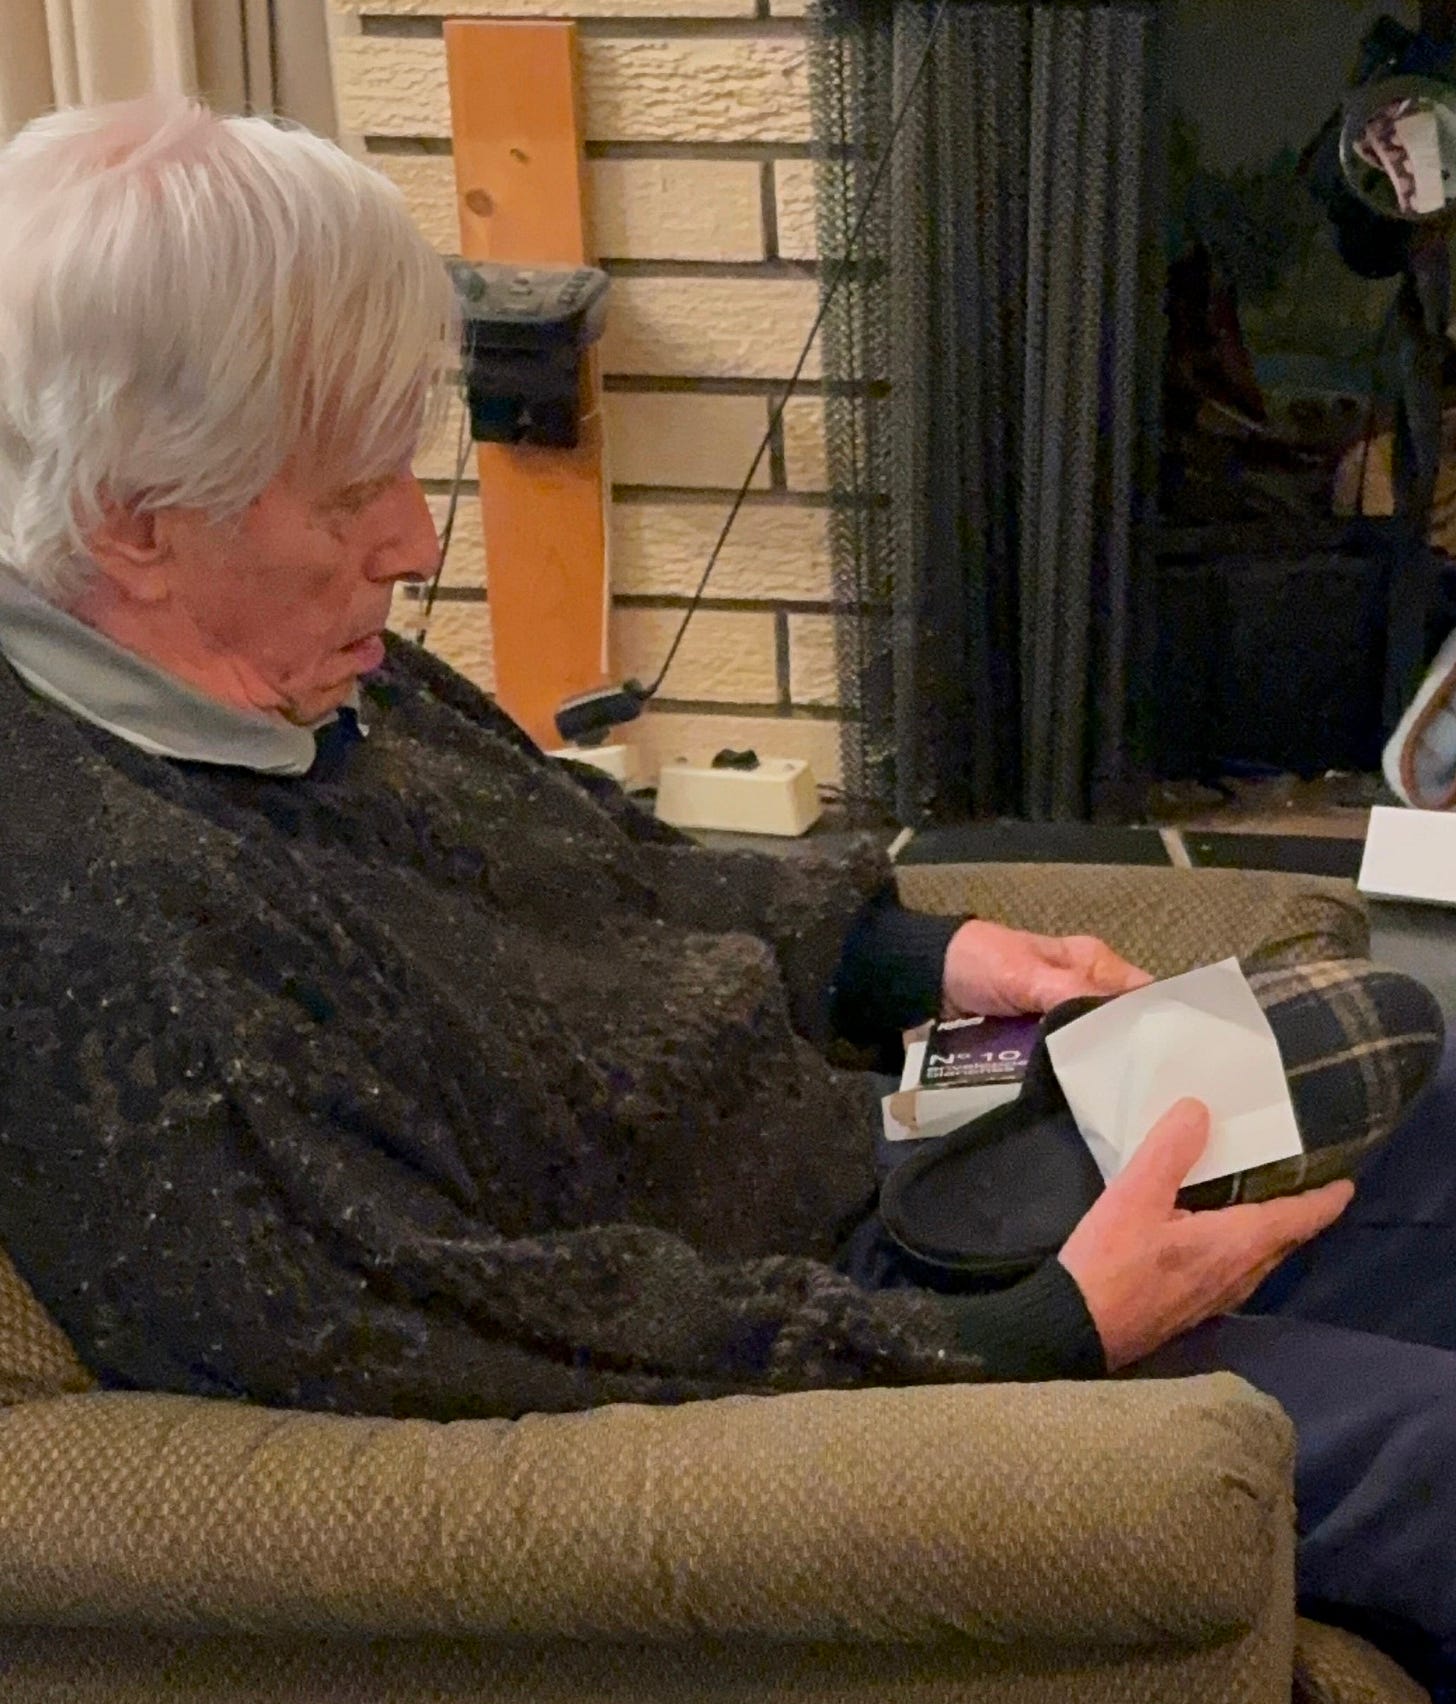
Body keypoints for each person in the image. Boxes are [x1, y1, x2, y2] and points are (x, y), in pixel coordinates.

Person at [1, 95, 1455, 1694]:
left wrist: (926, 953)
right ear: (136, 525)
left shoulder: (288, 679)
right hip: (864, 1335)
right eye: (351, 497)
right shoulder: (112, 940)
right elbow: (438, 1346)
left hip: (915, 1163)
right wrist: (1043, 1332)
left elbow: (604, 862)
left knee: (1436, 1098)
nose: (416, 544)